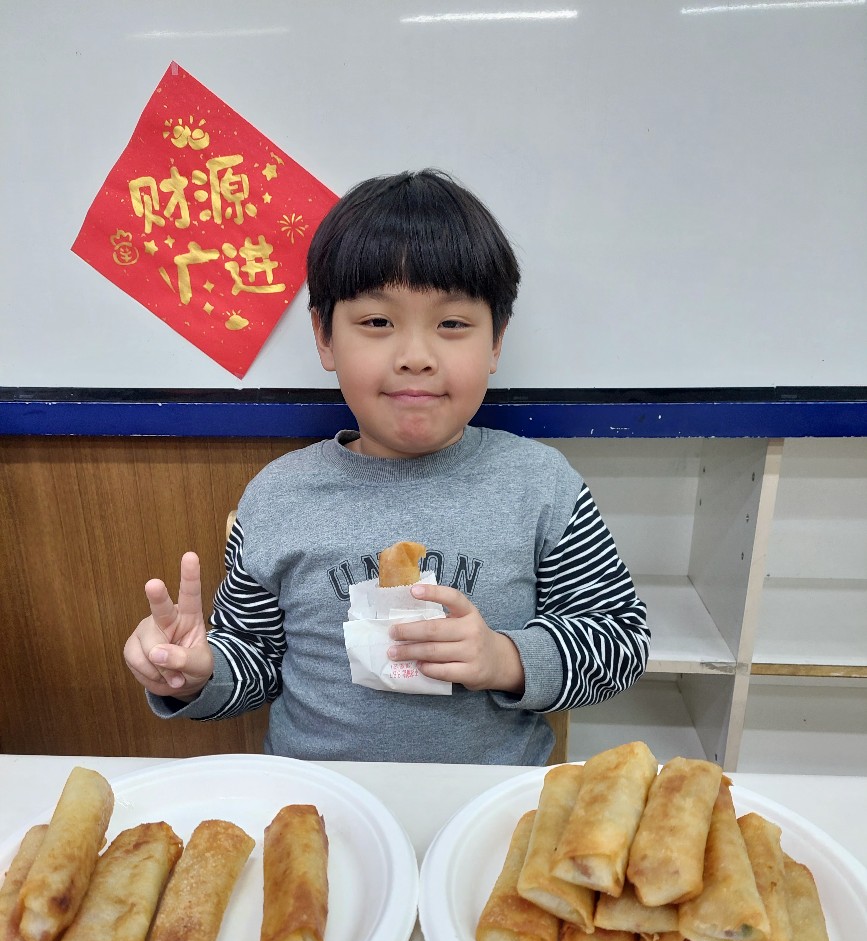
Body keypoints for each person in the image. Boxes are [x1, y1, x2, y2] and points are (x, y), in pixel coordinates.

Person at [123, 169, 650, 765]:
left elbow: (621, 641)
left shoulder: (541, 486)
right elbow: (255, 659)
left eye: (452, 324)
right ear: (325, 337)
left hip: (489, 800)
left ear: (497, 341)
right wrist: (196, 673)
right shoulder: (278, 497)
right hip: (322, 802)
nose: (415, 357)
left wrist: (504, 659)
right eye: (378, 322)